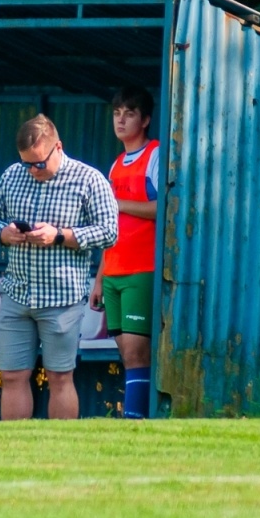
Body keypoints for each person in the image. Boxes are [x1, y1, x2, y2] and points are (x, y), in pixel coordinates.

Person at [0, 114, 117, 420]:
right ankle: (14, 452)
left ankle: (60, 451)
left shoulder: (89, 179)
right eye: (27, 163)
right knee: (12, 376)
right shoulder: (12, 176)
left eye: (39, 164)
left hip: (62, 299)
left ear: (59, 147)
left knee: (59, 377)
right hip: (16, 294)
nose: (33, 170)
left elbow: (110, 231)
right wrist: (3, 234)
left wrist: (59, 235)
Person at [90, 85, 160, 418]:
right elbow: (109, 229)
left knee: (137, 352)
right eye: (117, 113)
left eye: (129, 113)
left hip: (141, 270)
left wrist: (119, 204)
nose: (121, 120)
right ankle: (135, 418)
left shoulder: (155, 154)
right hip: (114, 271)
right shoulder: (116, 165)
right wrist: (99, 279)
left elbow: (163, 208)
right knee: (125, 353)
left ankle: (135, 422)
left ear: (145, 120)